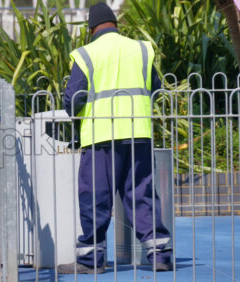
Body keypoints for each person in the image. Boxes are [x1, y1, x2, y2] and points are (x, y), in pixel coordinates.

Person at [58, 3, 173, 274]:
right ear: (115, 24)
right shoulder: (141, 49)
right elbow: (156, 88)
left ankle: (91, 261)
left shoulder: (86, 54)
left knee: (95, 198)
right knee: (142, 195)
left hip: (100, 137)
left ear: (90, 29)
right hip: (138, 133)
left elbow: (72, 99)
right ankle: (160, 255)